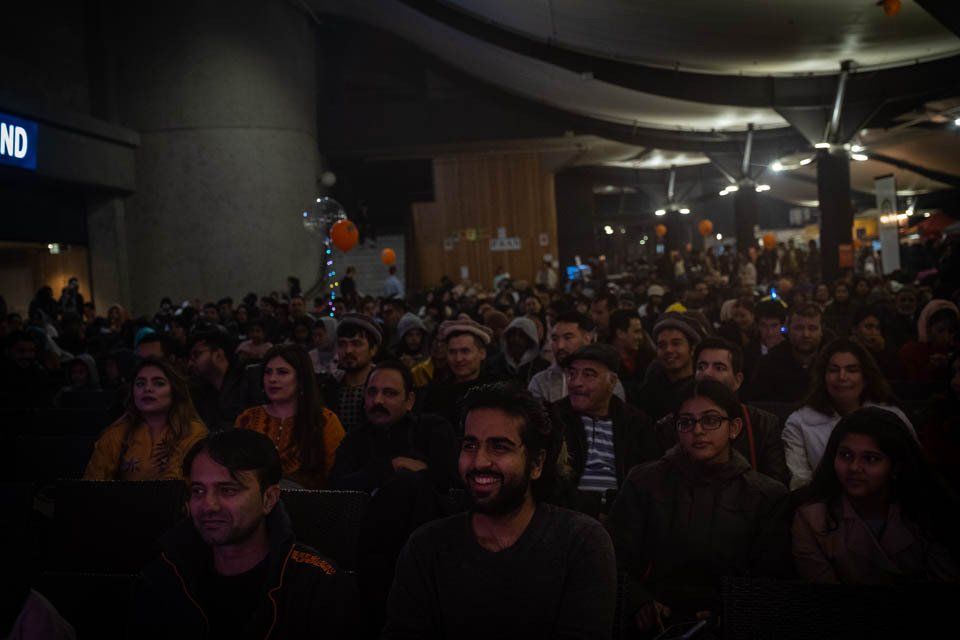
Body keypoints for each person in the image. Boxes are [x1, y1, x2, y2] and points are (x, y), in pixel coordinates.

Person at [383, 383, 618, 639]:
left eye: (499, 447)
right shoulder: (427, 547)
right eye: (470, 445)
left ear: (537, 463)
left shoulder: (581, 543)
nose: (479, 461)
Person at [607, 380, 791, 635]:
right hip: (656, 618)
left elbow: (770, 577)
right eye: (687, 422)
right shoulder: (645, 481)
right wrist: (640, 602)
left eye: (711, 420)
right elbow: (615, 556)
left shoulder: (765, 495)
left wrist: (730, 610)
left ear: (734, 428)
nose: (698, 431)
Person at [127, 430, 351, 638]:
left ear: (269, 499)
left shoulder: (315, 585)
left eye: (228, 490)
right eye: (198, 491)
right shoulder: (165, 576)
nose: (209, 505)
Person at [792, 407, 959, 584]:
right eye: (846, 455)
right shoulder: (812, 518)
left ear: (895, 467)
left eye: (871, 459)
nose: (854, 467)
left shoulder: (930, 512)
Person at [654, 336, 790, 485]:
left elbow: (775, 488)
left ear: (737, 380)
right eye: (701, 367)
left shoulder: (763, 425)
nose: (707, 374)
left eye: (719, 368)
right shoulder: (669, 426)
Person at [782, 338, 914, 490]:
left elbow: (914, 470)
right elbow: (800, 482)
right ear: (823, 377)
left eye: (851, 370)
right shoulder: (799, 422)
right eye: (834, 370)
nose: (842, 377)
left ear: (865, 377)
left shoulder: (892, 417)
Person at [549, 344, 658, 517]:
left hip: (623, 516)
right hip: (568, 516)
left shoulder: (635, 423)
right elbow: (550, 484)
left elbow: (648, 480)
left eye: (588, 375)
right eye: (572, 374)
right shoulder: (554, 419)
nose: (576, 383)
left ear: (612, 381)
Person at [329, 360, 459, 493]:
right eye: (372, 392)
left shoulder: (433, 430)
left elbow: (450, 486)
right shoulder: (355, 438)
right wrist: (392, 466)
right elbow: (336, 489)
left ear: (409, 401)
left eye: (389, 393)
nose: (377, 400)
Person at [236, 344, 345, 489]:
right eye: (268, 372)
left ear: (300, 379)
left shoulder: (325, 420)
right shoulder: (247, 418)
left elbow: (337, 476)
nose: (272, 379)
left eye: (282, 372)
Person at [84, 357, 207, 481]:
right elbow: (92, 485)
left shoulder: (193, 432)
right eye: (140, 383)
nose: (147, 389)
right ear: (132, 392)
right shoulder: (116, 433)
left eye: (158, 383)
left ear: (175, 391)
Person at [528, 311, 625, 403]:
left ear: (587, 339)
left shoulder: (606, 381)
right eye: (554, 339)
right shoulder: (540, 382)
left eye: (568, 337)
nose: (560, 345)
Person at [418, 318, 494, 427]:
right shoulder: (436, 393)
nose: (458, 359)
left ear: (482, 353)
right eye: (452, 352)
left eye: (465, 351)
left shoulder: (495, 390)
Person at [746, 303, 824, 403]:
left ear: (821, 331)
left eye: (812, 328)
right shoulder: (769, 364)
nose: (806, 335)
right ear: (788, 330)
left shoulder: (832, 361)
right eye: (799, 328)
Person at [632, 313, 702, 421]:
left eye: (676, 343)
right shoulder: (649, 391)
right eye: (662, 345)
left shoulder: (702, 389)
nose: (668, 350)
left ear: (692, 349)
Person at [320, 313, 381, 433]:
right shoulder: (327, 387)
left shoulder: (383, 387)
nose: (348, 350)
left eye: (356, 344)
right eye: (342, 344)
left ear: (373, 349)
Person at [187, 328, 254, 432]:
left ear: (218, 355)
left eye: (197, 355)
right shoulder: (198, 390)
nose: (190, 364)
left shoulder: (248, 382)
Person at [898, 299, 958, 383]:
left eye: (951, 331)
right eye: (940, 330)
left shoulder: (956, 350)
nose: (946, 336)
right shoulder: (911, 351)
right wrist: (930, 368)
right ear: (927, 329)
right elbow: (910, 385)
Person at [484, 316, 550, 384]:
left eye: (521, 335)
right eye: (512, 334)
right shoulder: (493, 364)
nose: (516, 339)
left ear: (531, 340)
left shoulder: (543, 367)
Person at [851, 305, 903, 379]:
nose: (874, 332)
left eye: (877, 328)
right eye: (868, 327)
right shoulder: (846, 351)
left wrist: (882, 352)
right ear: (855, 329)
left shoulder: (886, 350)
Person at [608, 308, 656, 385]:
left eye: (640, 332)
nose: (640, 337)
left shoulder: (647, 358)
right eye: (636, 332)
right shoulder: (605, 363)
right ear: (620, 333)